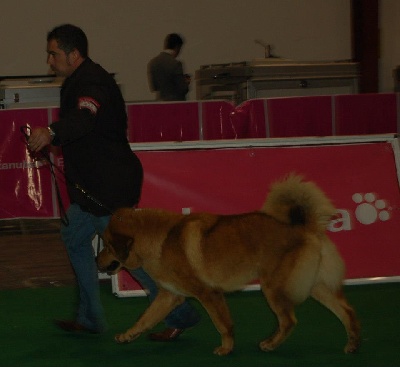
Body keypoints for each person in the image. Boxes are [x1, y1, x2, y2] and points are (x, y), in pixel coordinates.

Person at [27, 24, 200, 340]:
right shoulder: (78, 80)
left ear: (73, 53)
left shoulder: (91, 83)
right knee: (74, 237)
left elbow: (85, 119)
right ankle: (90, 316)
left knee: (128, 257)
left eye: (53, 53)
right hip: (90, 190)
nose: (49, 61)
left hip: (108, 188)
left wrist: (51, 133)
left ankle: (180, 314)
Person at [147, 33, 190, 101]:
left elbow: (154, 87)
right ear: (177, 47)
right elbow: (183, 89)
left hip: (160, 103)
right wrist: (187, 82)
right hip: (176, 104)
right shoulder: (176, 64)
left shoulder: (153, 63)